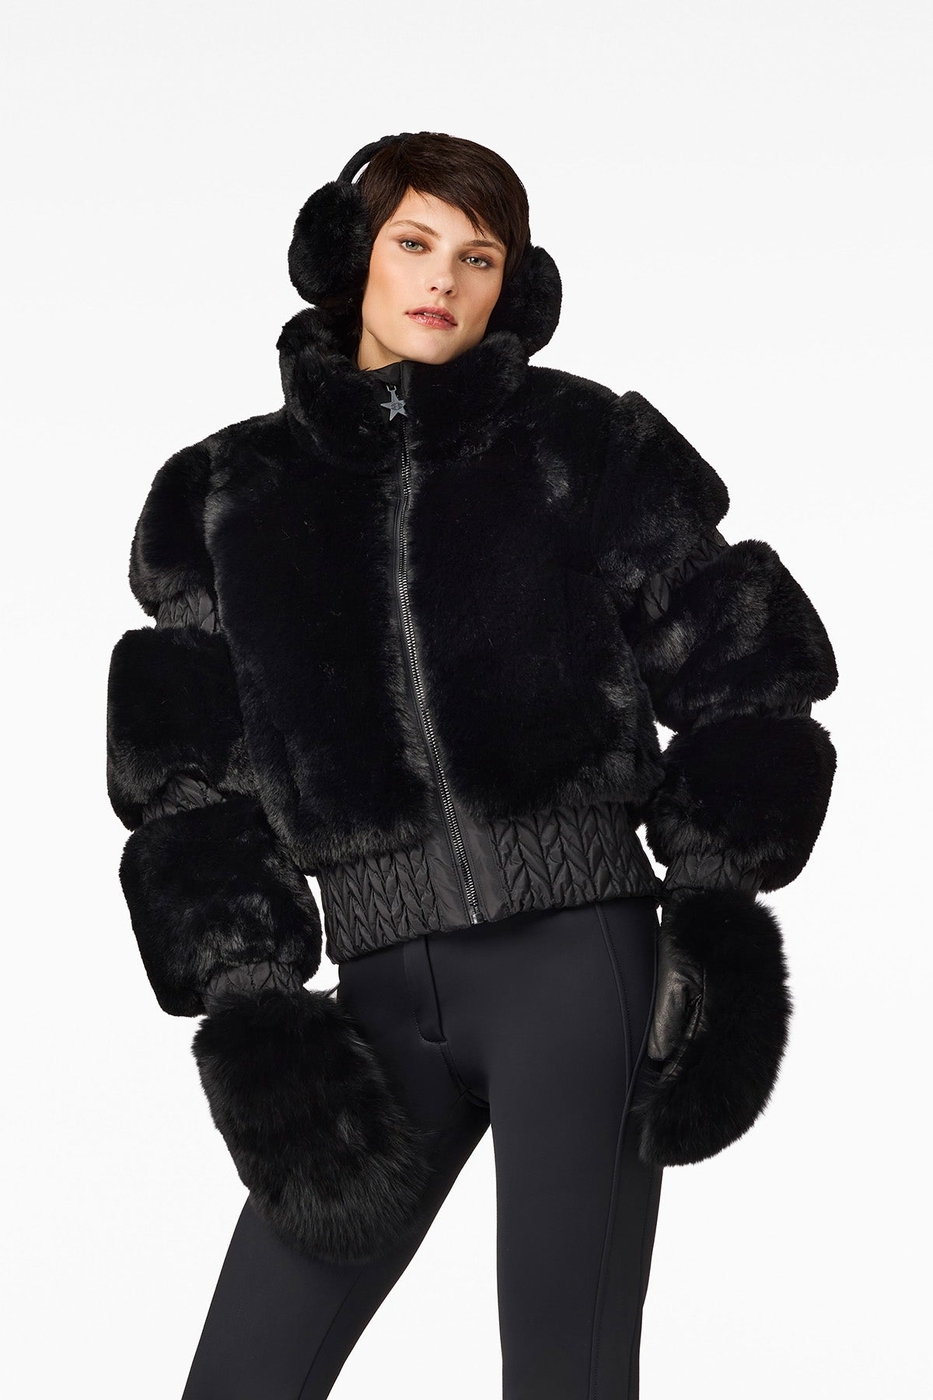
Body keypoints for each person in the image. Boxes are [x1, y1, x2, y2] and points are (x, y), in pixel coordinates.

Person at [105, 131, 839, 1399]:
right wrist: (260, 1008)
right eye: (415, 242)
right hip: (379, 999)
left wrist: (714, 907)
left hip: (580, 972)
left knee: (566, 1373)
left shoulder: (585, 443)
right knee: (242, 1375)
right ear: (350, 254)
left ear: (514, 283)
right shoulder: (224, 493)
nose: (443, 278)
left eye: (479, 255)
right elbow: (186, 784)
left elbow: (751, 667)